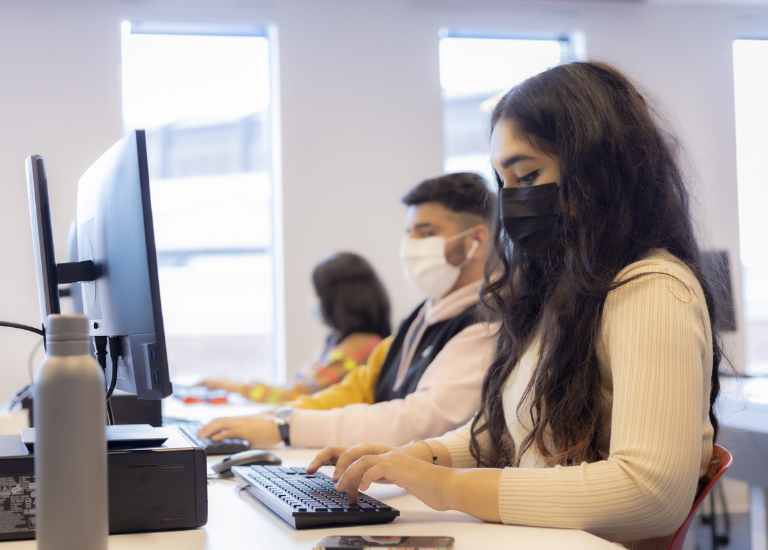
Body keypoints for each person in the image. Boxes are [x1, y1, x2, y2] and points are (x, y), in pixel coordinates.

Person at [308, 61, 723, 550]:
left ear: (598, 170)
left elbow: (652, 494)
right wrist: (410, 457)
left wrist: (449, 488)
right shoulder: (564, 293)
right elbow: (507, 435)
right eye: (503, 182)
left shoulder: (652, 289)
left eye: (526, 176)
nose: (512, 201)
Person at [198, 172, 499, 448]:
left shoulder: (486, 324)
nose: (410, 245)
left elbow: (418, 420)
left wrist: (285, 427)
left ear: (476, 240)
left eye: (425, 233)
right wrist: (275, 417)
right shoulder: (424, 316)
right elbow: (359, 389)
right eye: (409, 233)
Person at [199, 252, 391, 403]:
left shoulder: (360, 348)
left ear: (338, 300)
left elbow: (297, 394)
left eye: (318, 293)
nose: (314, 299)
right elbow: (299, 385)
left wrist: (239, 388)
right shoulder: (342, 341)